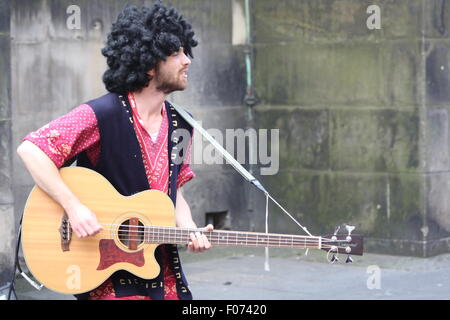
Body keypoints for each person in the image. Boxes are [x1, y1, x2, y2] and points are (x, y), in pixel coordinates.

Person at [16, 1, 212, 300]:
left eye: (187, 52)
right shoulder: (101, 114)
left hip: (160, 268)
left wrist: (188, 228)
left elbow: (174, 189)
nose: (187, 61)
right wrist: (74, 207)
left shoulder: (181, 125)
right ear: (149, 63)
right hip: (105, 267)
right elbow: (32, 150)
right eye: (176, 53)